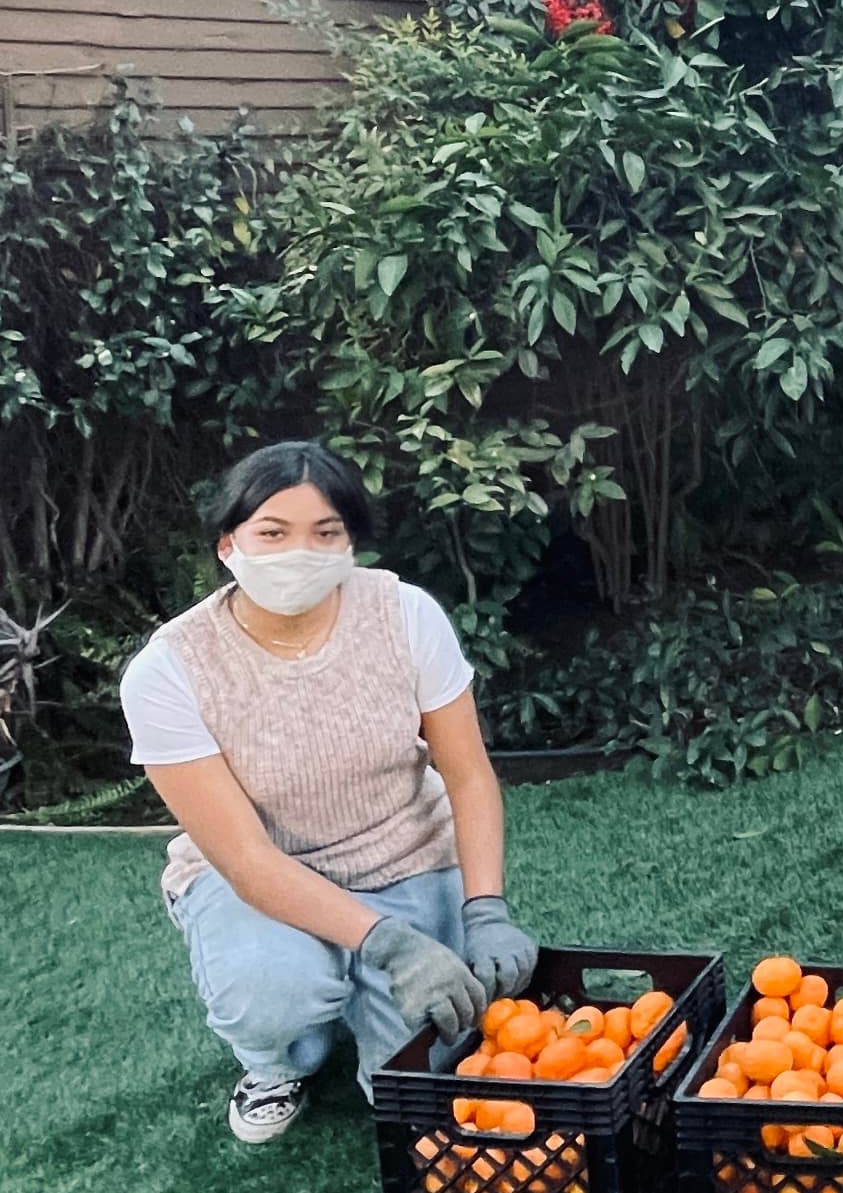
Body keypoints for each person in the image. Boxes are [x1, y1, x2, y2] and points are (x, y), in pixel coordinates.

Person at [121, 443, 541, 1141]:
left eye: (325, 532)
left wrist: (485, 909)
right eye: (272, 532)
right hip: (259, 875)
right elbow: (246, 859)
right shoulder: (169, 669)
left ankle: (362, 986)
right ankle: (276, 1060)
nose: (300, 552)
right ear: (228, 544)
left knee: (429, 1056)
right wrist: (390, 943)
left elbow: (468, 775)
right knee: (278, 996)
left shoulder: (404, 615)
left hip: (402, 851)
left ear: (350, 544)